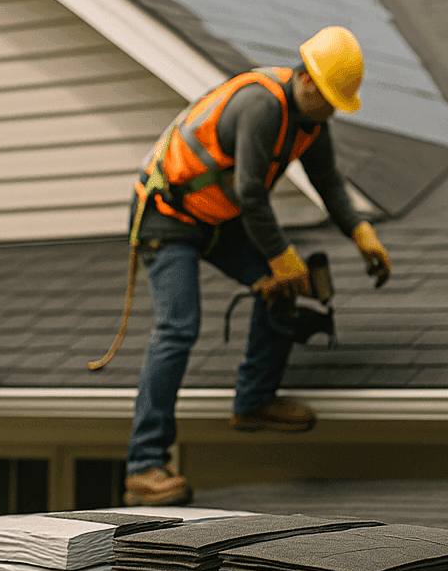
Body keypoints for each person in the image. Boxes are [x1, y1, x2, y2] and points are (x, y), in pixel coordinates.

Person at [125, 26, 392, 507]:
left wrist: (360, 231)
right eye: (329, 99)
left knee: (283, 287)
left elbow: (328, 181)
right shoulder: (262, 105)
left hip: (217, 218)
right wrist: (281, 257)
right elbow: (251, 191)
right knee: (178, 327)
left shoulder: (310, 120)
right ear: (306, 79)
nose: (331, 111)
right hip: (168, 214)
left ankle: (253, 401)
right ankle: (144, 465)